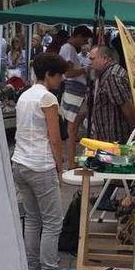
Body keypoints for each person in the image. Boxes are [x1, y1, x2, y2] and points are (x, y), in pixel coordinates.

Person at [11, 53, 67, 270]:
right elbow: (55, 138)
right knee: (53, 222)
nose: (62, 79)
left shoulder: (24, 95)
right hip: (40, 164)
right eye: (59, 75)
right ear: (48, 75)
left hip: (20, 162)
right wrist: (60, 165)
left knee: (32, 219)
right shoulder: (48, 99)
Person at [88, 46, 135, 143]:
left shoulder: (112, 76)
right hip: (109, 135)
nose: (90, 62)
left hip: (115, 137)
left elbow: (126, 106)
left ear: (105, 58)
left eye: (93, 59)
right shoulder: (108, 73)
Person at [59, 26, 92, 169]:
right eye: (83, 40)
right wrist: (85, 70)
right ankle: (71, 163)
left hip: (76, 92)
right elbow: (68, 73)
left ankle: (72, 161)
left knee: (73, 130)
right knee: (72, 130)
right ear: (77, 36)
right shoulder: (68, 48)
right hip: (74, 92)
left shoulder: (69, 48)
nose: (83, 43)